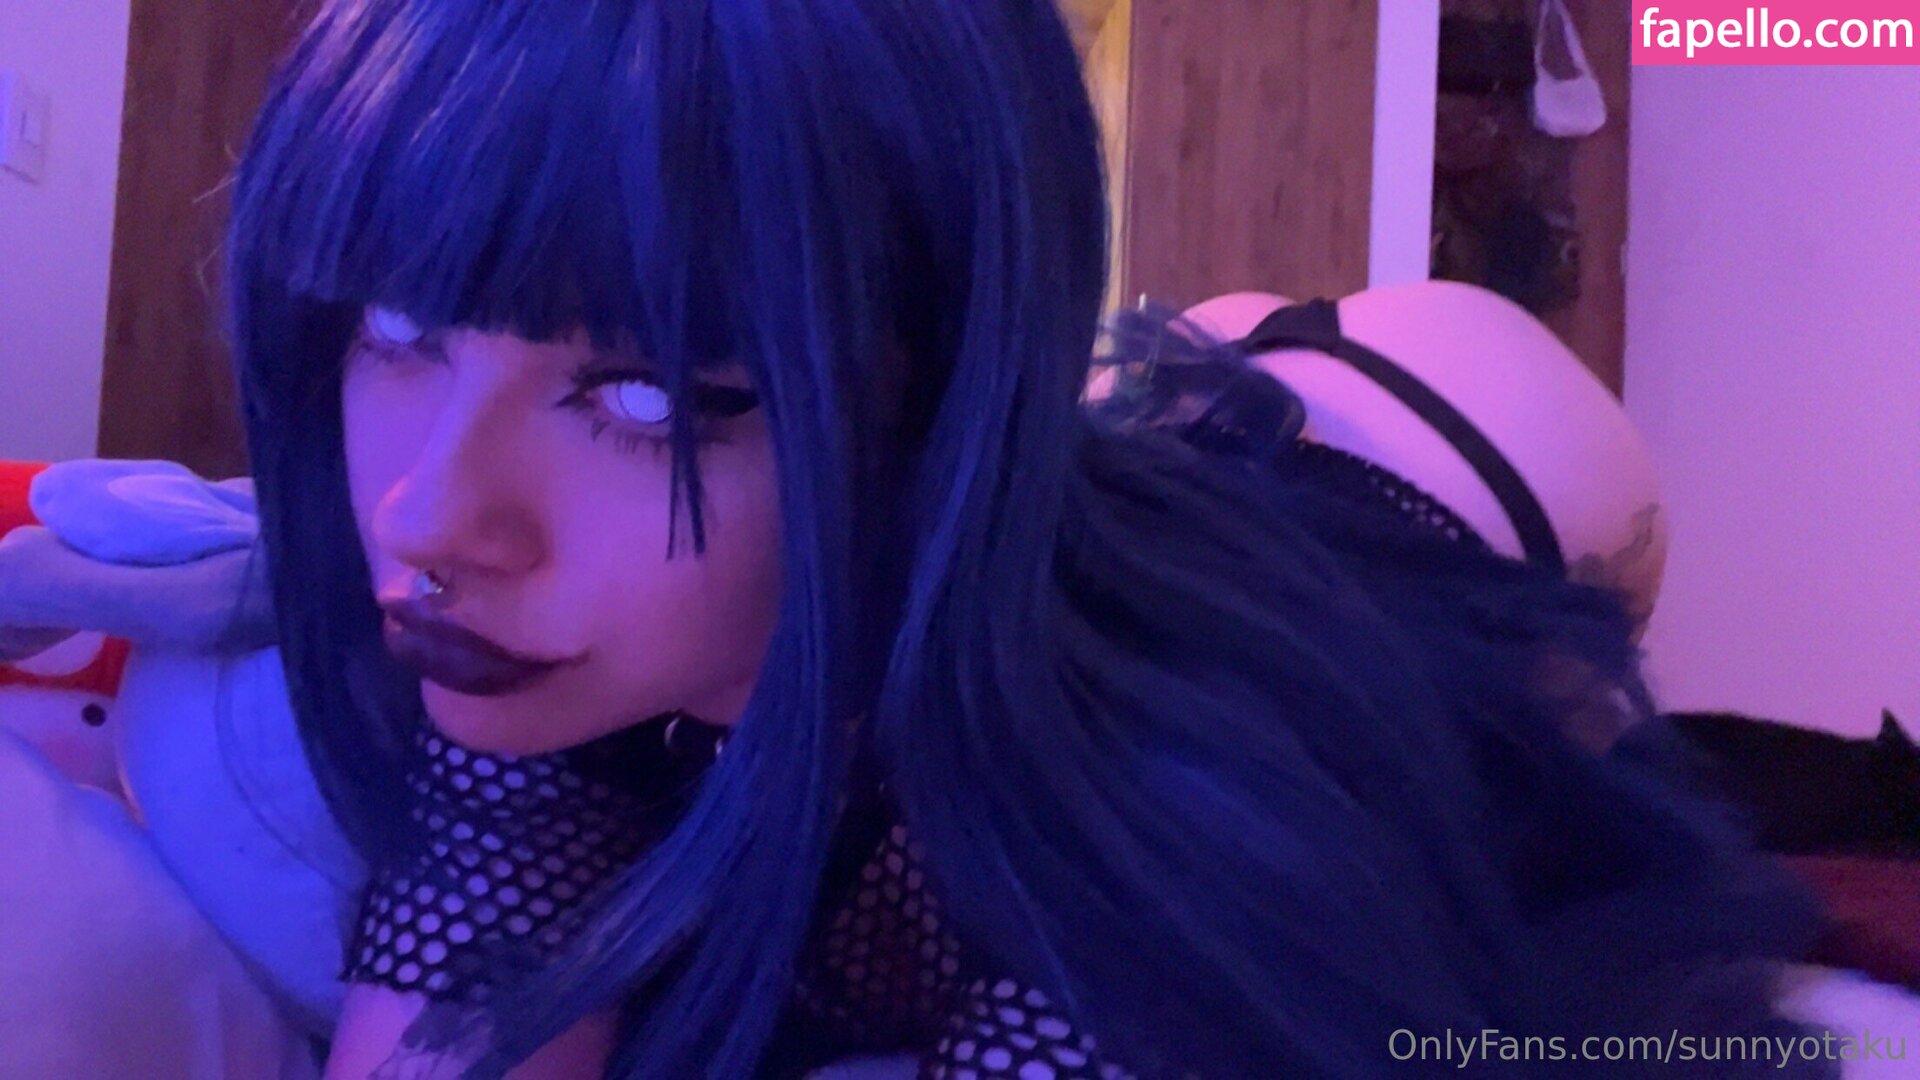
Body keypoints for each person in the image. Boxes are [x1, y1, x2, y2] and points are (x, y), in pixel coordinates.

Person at [221, 1, 1820, 1076]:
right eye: (398, 331)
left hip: (1415, 450)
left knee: (1550, 661)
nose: (427, 516)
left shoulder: (1161, 825)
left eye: (648, 403)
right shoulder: (521, 650)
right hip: (1052, 474)